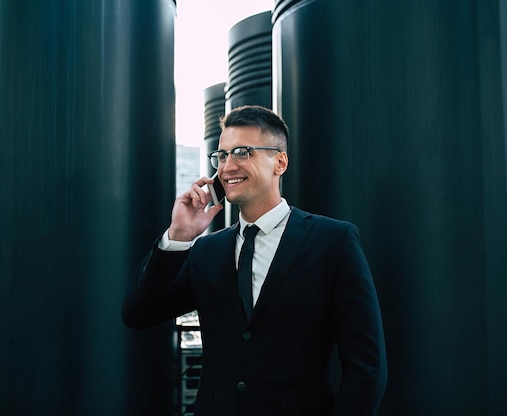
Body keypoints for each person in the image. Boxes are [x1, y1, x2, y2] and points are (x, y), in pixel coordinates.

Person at [122, 105, 387, 415]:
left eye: (242, 152)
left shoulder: (333, 242)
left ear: (280, 162)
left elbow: (366, 368)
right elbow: (139, 314)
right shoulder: (207, 251)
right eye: (221, 156)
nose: (227, 166)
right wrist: (178, 236)